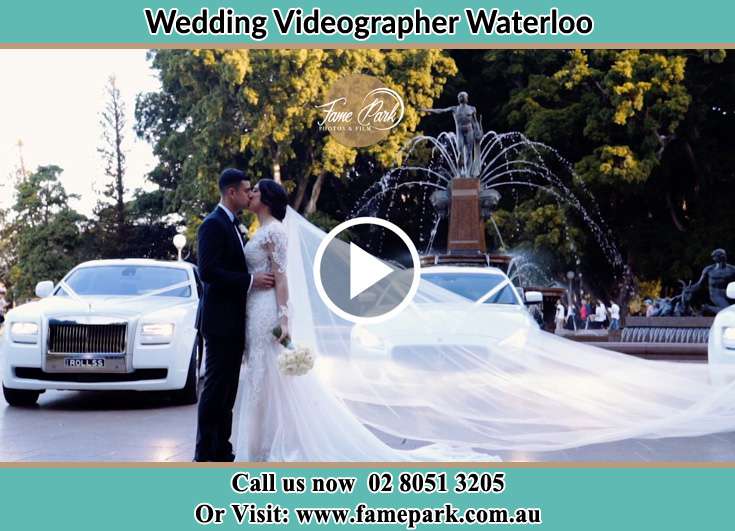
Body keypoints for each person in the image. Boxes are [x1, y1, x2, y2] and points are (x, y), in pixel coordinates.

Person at [193, 168, 275, 462]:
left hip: (235, 321)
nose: (249, 193)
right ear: (232, 193)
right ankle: (204, 453)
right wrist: (251, 282)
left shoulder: (234, 225)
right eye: (245, 189)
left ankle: (222, 448)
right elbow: (208, 272)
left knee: (228, 389)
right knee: (215, 388)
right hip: (218, 322)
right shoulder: (212, 225)